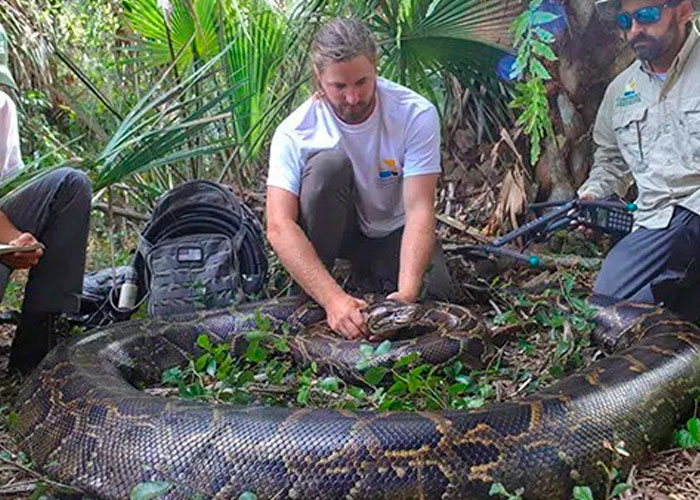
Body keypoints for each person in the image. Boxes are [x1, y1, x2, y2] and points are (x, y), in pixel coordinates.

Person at [266, 18, 454, 340]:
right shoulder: (294, 131)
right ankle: (316, 291)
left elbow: (420, 209)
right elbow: (279, 225)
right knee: (328, 167)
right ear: (319, 78)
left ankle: (371, 276)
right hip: (337, 234)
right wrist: (332, 300)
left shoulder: (414, 113)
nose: (353, 98)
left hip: (391, 230)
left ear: (376, 68)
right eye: (339, 87)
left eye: (362, 83)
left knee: (437, 293)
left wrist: (405, 297)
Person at [579, 0, 700, 319]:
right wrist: (595, 191)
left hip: (695, 212)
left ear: (683, 11)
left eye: (647, 15)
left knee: (683, 245)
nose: (635, 29)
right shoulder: (620, 90)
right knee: (606, 310)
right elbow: (610, 158)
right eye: (625, 20)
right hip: (655, 220)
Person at [0, 23, 92, 374]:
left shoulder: (1, 107)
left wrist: (15, 241)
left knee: (70, 186)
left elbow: (4, 195)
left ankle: (38, 354)